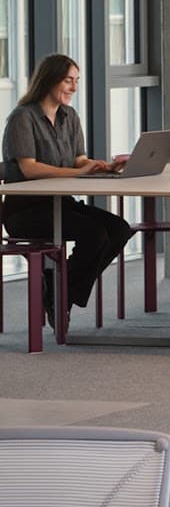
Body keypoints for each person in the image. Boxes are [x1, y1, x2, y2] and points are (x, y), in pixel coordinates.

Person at [2, 54, 134, 328]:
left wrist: (102, 166)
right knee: (95, 233)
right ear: (49, 80)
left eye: (76, 81)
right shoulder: (22, 117)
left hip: (62, 204)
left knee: (120, 228)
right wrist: (80, 172)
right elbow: (29, 169)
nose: (74, 87)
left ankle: (61, 291)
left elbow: (79, 160)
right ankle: (60, 291)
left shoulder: (69, 116)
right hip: (26, 211)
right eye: (68, 80)